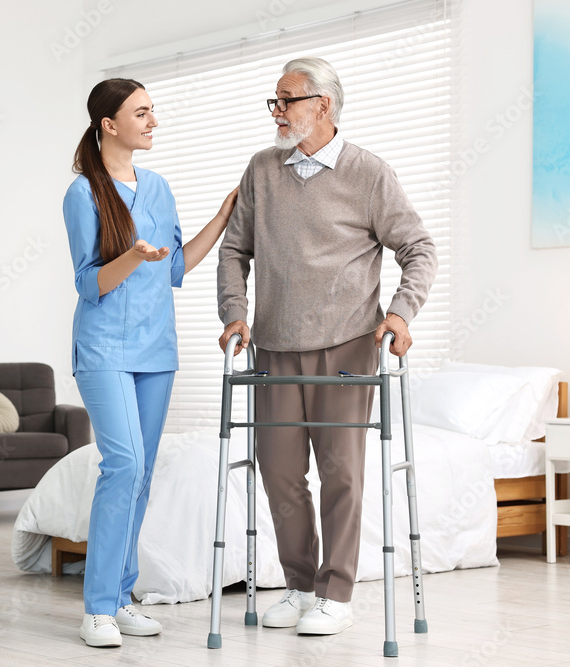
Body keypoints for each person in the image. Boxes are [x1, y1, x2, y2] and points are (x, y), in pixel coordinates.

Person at [216, 57, 438, 636]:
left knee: (341, 471)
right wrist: (235, 314)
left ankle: (336, 591)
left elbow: (418, 247)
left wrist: (400, 312)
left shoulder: (368, 173)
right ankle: (298, 584)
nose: (278, 111)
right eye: (276, 101)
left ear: (324, 106)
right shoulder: (263, 169)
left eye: (288, 100)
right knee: (280, 471)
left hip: (346, 344)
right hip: (275, 344)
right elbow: (234, 250)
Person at [64, 78, 237, 648]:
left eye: (153, 111)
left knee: (139, 479)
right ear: (109, 124)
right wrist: (130, 255)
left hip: (156, 351)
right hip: (105, 350)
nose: (153, 121)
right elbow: (91, 284)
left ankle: (119, 597)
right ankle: (96, 610)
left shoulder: (159, 188)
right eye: (141, 113)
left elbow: (176, 267)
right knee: (123, 466)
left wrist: (222, 216)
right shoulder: (83, 194)